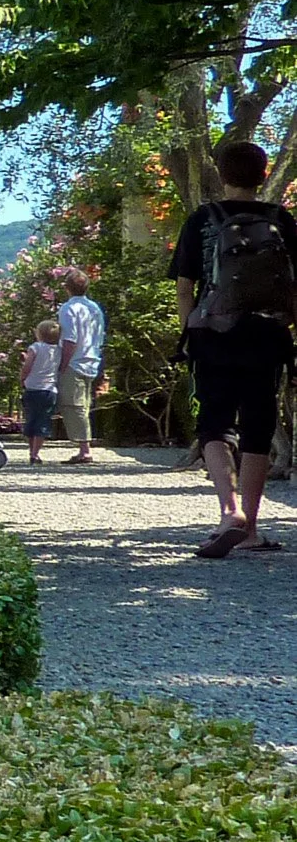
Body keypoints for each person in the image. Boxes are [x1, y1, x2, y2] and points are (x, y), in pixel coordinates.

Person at [171, 140, 297, 555]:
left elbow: (185, 286)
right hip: (268, 333)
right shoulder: (282, 220)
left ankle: (230, 512)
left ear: (221, 173)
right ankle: (253, 528)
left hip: (214, 333)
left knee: (215, 423)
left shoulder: (203, 219)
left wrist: (190, 332)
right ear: (263, 174)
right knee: (259, 425)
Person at [55, 267, 107, 463]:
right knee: (83, 404)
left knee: (74, 405)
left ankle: (84, 449)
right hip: (92, 359)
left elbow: (70, 340)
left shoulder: (68, 309)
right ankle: (83, 447)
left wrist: (62, 365)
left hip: (75, 361)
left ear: (67, 288)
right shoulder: (94, 308)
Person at [19, 319, 62, 465]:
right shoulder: (58, 350)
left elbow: (28, 366)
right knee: (43, 420)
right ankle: (36, 453)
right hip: (49, 390)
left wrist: (22, 378)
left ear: (39, 334)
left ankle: (31, 451)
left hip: (32, 388)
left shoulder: (35, 347)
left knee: (31, 418)